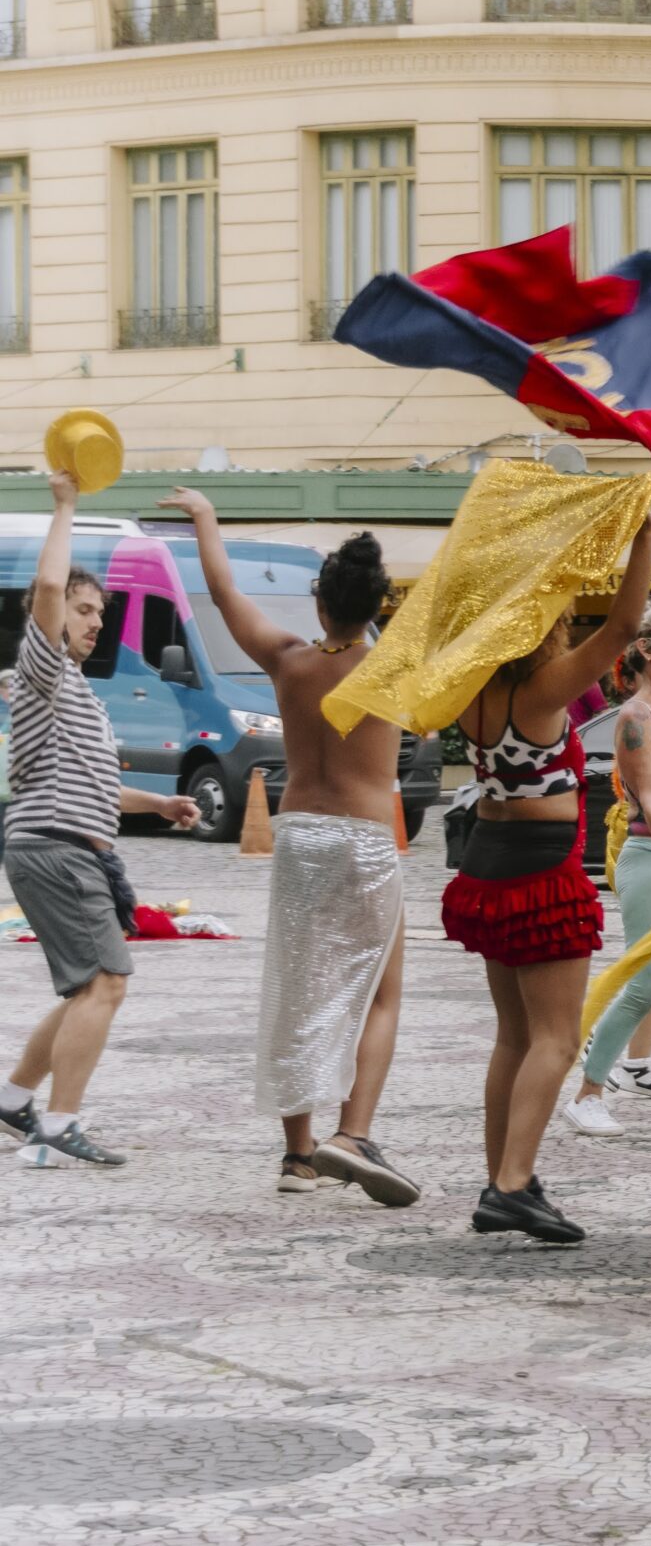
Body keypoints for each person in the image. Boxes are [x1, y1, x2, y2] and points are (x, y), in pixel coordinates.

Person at [161, 491, 418, 1203]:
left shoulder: (288, 660)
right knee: (379, 995)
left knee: (298, 990)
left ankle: (298, 1158)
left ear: (319, 603)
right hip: (366, 840)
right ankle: (353, 1134)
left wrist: (206, 516)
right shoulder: (394, 666)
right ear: (377, 605)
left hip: (301, 836)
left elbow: (220, 588)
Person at [445, 514, 651, 1244]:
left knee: (514, 1037)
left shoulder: (469, 685)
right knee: (557, 1041)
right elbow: (626, 623)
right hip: (540, 867)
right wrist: (645, 534)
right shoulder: (541, 688)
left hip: (488, 859)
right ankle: (510, 1185)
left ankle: (506, 1176)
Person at [0, 471, 201, 1168]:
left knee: (85, 984)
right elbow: (49, 590)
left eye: (99, 613)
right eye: (85, 610)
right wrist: (65, 506)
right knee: (104, 983)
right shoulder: (43, 667)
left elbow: (98, 791)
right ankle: (57, 1124)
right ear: (51, 617)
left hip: (64, 844)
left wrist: (161, 804)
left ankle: (18, 1096)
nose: (94, 622)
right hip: (56, 850)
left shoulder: (78, 693)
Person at [562, 596, 651, 1139]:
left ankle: (609, 1040)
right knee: (647, 984)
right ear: (646, 649)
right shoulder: (634, 717)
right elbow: (649, 798)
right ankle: (588, 1094)